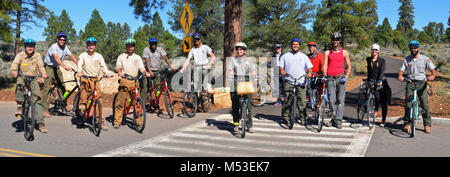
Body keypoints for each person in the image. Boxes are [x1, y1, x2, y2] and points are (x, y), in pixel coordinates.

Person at [10, 39, 49, 133]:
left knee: (37, 100)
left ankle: (41, 124)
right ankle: (19, 107)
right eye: (28, 46)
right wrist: (14, 70)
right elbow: (15, 63)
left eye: (32, 46)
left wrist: (44, 73)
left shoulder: (37, 55)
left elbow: (40, 65)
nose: (30, 48)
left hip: (34, 78)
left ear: (34, 47)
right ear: (25, 47)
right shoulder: (20, 55)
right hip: (22, 77)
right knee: (19, 86)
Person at [398, 40, 436, 133]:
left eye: (415, 48)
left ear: (418, 48)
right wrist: (400, 76)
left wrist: (432, 76)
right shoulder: (406, 59)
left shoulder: (425, 59)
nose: (413, 49)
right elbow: (401, 70)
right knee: (408, 104)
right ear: (410, 49)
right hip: (410, 83)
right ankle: (407, 124)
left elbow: (433, 69)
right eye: (411, 48)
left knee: (424, 105)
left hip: (421, 83)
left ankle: (427, 125)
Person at [114, 38, 151, 129]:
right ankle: (117, 121)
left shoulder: (137, 57)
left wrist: (145, 72)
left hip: (135, 81)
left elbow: (141, 68)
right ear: (126, 47)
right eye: (129, 46)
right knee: (120, 102)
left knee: (137, 103)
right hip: (125, 80)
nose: (131, 48)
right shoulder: (121, 56)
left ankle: (138, 122)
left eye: (132, 46)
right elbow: (118, 67)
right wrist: (119, 71)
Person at [77, 37, 112, 130]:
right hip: (85, 77)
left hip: (95, 79)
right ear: (87, 46)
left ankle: (100, 121)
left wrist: (107, 73)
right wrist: (80, 72)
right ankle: (83, 104)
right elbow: (79, 64)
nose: (91, 46)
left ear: (95, 46)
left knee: (98, 99)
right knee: (83, 86)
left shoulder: (98, 56)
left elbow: (103, 66)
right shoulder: (83, 55)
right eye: (89, 45)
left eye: (92, 45)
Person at [42, 32, 79, 118]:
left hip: (57, 67)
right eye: (61, 39)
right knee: (47, 88)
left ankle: (64, 104)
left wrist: (79, 65)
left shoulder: (65, 47)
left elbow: (71, 56)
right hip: (49, 67)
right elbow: (56, 58)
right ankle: (45, 110)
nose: (62, 41)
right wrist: (65, 67)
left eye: (64, 40)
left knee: (63, 85)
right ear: (57, 39)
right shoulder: (53, 47)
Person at [279, 38, 313, 126]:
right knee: (287, 100)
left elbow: (309, 67)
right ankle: (285, 117)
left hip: (300, 81)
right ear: (291, 45)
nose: (295, 46)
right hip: (289, 81)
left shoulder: (303, 56)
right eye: (294, 44)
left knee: (302, 102)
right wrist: (282, 71)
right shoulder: (285, 55)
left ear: (299, 46)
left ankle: (303, 118)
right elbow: (281, 66)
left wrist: (309, 73)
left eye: (297, 44)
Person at [322, 32, 352, 129]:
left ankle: (338, 120)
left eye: (337, 39)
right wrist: (324, 75)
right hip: (330, 78)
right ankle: (334, 118)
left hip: (340, 78)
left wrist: (346, 76)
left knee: (340, 100)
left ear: (340, 41)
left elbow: (349, 66)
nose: (335, 41)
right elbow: (325, 65)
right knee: (331, 100)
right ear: (332, 41)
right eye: (334, 39)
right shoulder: (327, 52)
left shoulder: (344, 52)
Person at [227, 42, 257, 135]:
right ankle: (236, 125)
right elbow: (231, 70)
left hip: (247, 81)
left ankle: (249, 126)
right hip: (236, 81)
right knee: (235, 105)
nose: (239, 51)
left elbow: (253, 70)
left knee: (248, 106)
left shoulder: (249, 60)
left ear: (244, 51)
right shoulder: (233, 60)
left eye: (241, 49)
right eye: (238, 49)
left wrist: (255, 74)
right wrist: (230, 74)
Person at [141, 37, 176, 109]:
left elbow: (165, 58)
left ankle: (156, 103)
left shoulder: (160, 49)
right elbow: (147, 61)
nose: (154, 45)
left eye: (155, 43)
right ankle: (143, 105)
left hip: (157, 71)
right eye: (152, 43)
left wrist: (171, 66)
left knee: (158, 88)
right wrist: (150, 71)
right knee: (145, 88)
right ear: (150, 44)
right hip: (148, 71)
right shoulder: (146, 50)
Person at [366, 44, 390, 127]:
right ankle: (375, 109)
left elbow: (382, 72)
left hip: (382, 82)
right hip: (372, 81)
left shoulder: (382, 61)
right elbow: (369, 71)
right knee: (376, 97)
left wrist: (379, 80)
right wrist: (368, 80)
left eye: (376, 50)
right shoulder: (368, 59)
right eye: (373, 50)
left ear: (378, 51)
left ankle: (383, 120)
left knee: (383, 102)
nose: (374, 51)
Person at [306, 42, 324, 109]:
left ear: (315, 48)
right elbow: (305, 66)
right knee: (309, 89)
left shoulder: (320, 55)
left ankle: (325, 103)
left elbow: (322, 65)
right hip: (310, 75)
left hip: (318, 74)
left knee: (321, 89)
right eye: (310, 47)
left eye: (312, 47)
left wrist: (321, 73)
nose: (311, 49)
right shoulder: (307, 57)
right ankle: (312, 104)